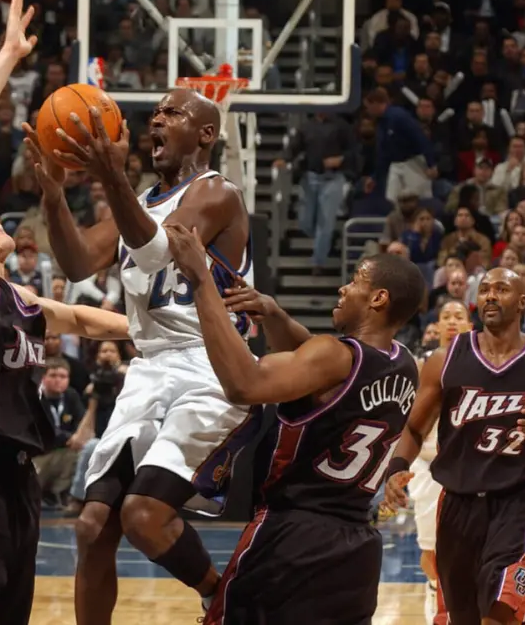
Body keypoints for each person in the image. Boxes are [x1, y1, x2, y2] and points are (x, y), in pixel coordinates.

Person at [0, 0, 130, 625]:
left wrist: (194, 328)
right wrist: (10, 54)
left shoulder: (21, 300)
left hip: (19, 481)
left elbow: (91, 320)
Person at [24, 69, 254, 621]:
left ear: (205, 134)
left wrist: (110, 177)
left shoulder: (216, 192)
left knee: (145, 515)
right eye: (154, 111)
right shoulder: (142, 199)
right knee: (91, 525)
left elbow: (153, 251)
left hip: (211, 369)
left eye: (173, 113)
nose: (155, 119)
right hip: (151, 369)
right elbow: (78, 261)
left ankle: (222, 597)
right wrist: (55, 195)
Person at [164, 232, 426, 625]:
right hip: (357, 546)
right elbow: (318, 359)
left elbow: (244, 384)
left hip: (291, 535)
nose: (343, 286)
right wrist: (275, 315)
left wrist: (201, 281)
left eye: (355, 280)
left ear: (378, 299)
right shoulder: (404, 364)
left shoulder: (333, 357)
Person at [382, 268, 525, 625]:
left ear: (522, 302)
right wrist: (395, 469)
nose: (489, 295)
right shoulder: (444, 360)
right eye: (484, 289)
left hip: (519, 501)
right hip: (457, 502)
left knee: (501, 611)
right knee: (462, 617)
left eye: (501, 289)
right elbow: (413, 427)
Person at [411, 299, 473, 622]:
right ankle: (436, 595)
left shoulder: (483, 367)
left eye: (458, 316)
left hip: (468, 468)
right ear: (435, 327)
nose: (451, 321)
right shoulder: (423, 367)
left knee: (467, 552)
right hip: (427, 464)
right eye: (445, 316)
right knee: (430, 553)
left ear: (469, 326)